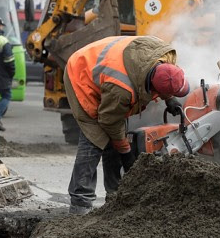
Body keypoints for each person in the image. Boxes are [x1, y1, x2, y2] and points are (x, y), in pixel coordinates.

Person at [64, 35, 189, 215]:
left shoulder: (165, 54)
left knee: (115, 139)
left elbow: (163, 77)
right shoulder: (122, 89)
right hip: (81, 73)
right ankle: (80, 204)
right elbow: (109, 120)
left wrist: (170, 98)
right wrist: (125, 150)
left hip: (106, 68)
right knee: (95, 138)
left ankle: (114, 197)